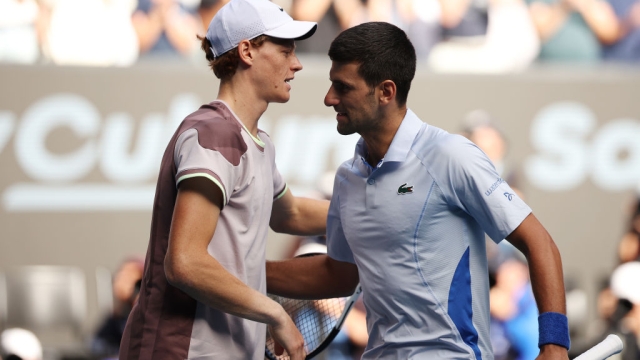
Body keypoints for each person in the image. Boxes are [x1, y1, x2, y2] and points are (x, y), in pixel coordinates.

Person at [267, 21, 570, 359]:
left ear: (386, 92)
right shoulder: (347, 178)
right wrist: (247, 272)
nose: (329, 98)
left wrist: (554, 346)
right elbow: (337, 274)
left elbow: (539, 242)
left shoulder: (451, 156)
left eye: (343, 87)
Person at [118, 1, 325, 359]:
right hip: (178, 350)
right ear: (247, 51)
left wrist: (371, 208)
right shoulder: (214, 134)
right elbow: (184, 262)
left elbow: (289, 214)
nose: (297, 63)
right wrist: (275, 313)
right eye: (285, 50)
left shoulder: (254, 142)